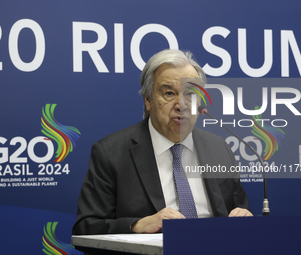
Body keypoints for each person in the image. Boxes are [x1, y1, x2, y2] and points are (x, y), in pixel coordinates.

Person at [72, 49, 252, 235]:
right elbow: (86, 228)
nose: (181, 105)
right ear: (148, 100)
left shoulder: (219, 148)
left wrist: (244, 217)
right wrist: (137, 225)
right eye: (169, 93)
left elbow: (239, 212)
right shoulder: (111, 153)